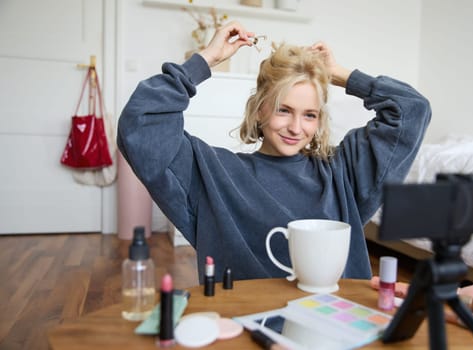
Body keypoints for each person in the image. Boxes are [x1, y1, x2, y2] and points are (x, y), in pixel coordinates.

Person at [117, 22, 431, 284]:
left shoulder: (342, 174)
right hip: (249, 329)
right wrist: (206, 59)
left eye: (310, 114)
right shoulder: (213, 174)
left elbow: (411, 110)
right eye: (284, 110)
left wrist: (337, 74)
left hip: (335, 326)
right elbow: (140, 126)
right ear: (258, 110)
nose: (296, 127)